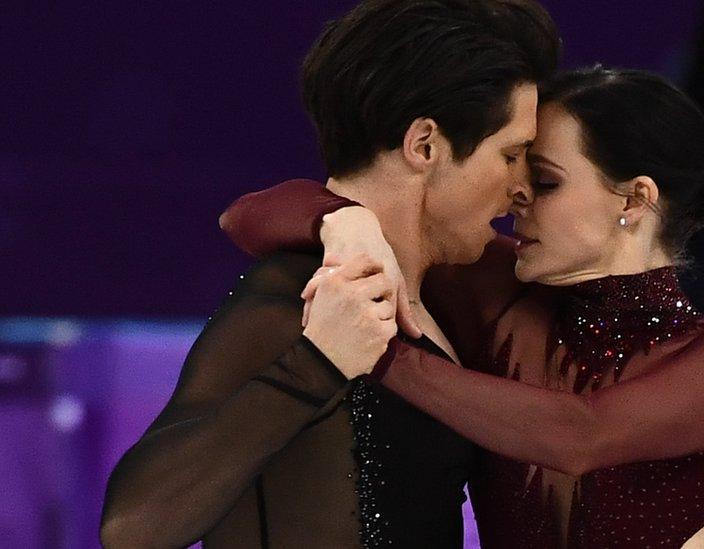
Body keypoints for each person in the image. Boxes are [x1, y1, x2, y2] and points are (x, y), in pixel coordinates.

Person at [221, 67, 704, 548]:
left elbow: (582, 436)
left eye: (544, 182)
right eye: (516, 171)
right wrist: (343, 223)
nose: (515, 196)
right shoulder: (498, 295)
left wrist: (372, 351)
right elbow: (246, 217)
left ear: (634, 199)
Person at [99, 1, 560, 547]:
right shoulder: (299, 299)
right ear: (425, 145)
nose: (521, 186)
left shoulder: (445, 293)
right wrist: (318, 364)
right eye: (511, 155)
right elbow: (132, 527)